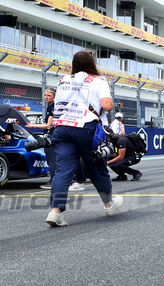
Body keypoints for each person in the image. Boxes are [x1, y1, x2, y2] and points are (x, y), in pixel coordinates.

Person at [43, 51, 123, 226]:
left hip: (62, 128)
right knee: (96, 168)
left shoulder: (63, 80)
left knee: (62, 171)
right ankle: (108, 204)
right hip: (86, 128)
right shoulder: (98, 80)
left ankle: (55, 211)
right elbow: (107, 105)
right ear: (92, 63)